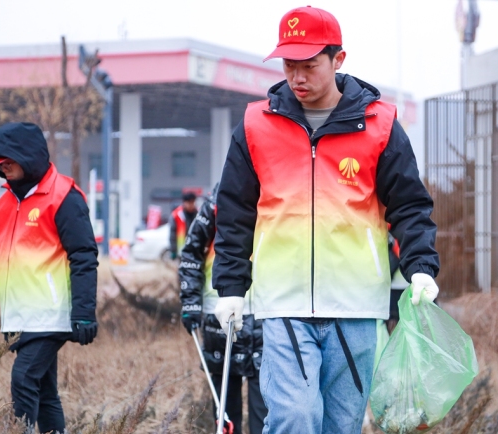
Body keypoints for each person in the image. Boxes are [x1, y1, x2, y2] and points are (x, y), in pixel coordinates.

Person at [211, 6, 440, 433]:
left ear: (338, 60)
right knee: (294, 418)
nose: (297, 77)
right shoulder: (255, 127)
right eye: (289, 65)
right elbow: (236, 212)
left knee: (342, 424)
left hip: (355, 305)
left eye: (309, 65)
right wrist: (229, 287)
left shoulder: (381, 126)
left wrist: (421, 267)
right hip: (282, 303)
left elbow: (409, 205)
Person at [0, 122, 99, 434]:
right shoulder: (6, 201)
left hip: (51, 314)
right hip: (19, 314)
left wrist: (85, 313)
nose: (2, 168)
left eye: (8, 161)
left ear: (29, 156)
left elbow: (84, 256)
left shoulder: (64, 197)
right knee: (46, 395)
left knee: (23, 379)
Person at [179, 185, 267, 434]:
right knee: (226, 411)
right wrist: (190, 303)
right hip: (220, 314)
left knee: (267, 408)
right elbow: (191, 255)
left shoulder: (276, 196)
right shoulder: (213, 204)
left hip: (266, 314)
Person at [169, 191, 197, 259]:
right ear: (184, 202)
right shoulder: (177, 215)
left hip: (196, 251)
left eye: (192, 202)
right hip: (181, 251)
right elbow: (172, 234)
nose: (191, 205)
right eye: (189, 202)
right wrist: (173, 250)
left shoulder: (199, 214)